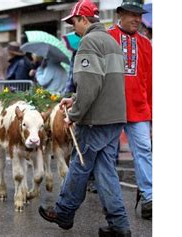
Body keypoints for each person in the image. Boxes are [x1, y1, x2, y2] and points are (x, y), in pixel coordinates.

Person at [38, 1, 131, 236]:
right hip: (114, 117)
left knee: (79, 166)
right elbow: (104, 83)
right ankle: (119, 225)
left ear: (84, 19)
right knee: (105, 171)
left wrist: (74, 113)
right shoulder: (112, 41)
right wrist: (76, 99)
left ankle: (64, 212)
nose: (73, 28)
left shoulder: (89, 42)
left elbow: (90, 85)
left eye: (73, 22)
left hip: (95, 119)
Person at [108, 0, 153, 220]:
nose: (137, 19)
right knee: (105, 155)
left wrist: (153, 113)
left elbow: (151, 80)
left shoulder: (146, 44)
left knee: (144, 151)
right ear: (121, 14)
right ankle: (110, 203)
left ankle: (149, 198)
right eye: (133, 14)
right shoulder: (107, 38)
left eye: (139, 15)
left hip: (140, 109)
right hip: (110, 109)